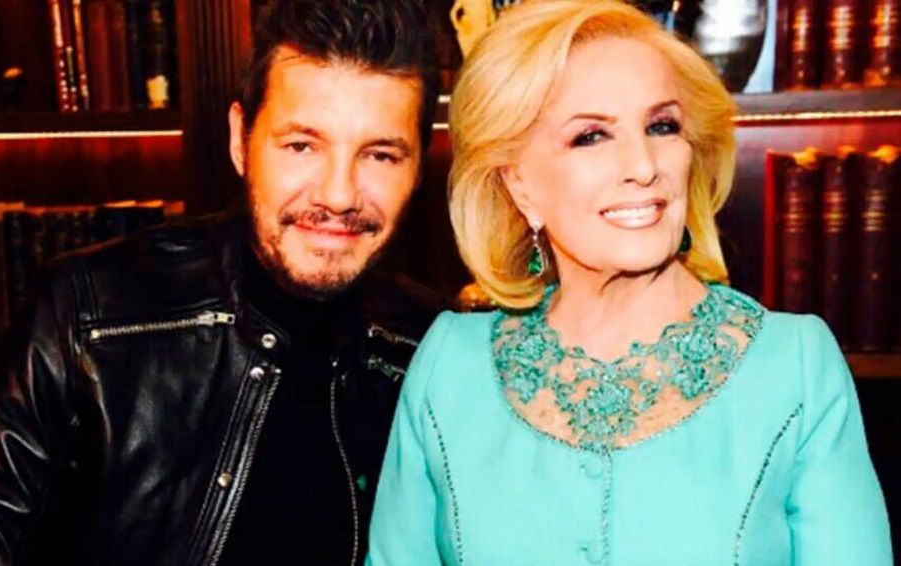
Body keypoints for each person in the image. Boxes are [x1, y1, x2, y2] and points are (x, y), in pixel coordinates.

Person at [367, 1, 893, 564]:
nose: (644, 166)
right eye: (591, 136)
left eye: (662, 126)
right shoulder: (449, 366)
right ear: (519, 183)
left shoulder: (795, 367)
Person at [0, 0, 444, 564]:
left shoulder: (433, 352)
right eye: (302, 146)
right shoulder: (83, 318)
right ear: (239, 140)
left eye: (380, 155)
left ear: (418, 167)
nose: (339, 194)